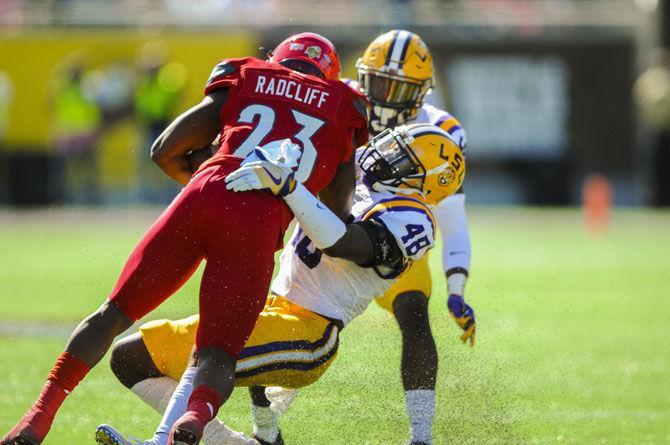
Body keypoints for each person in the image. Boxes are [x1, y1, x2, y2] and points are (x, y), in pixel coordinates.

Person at [2, 32, 368, 445]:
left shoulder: (250, 74)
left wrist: (206, 172)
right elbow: (334, 218)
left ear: (279, 58)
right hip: (261, 217)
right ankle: (193, 419)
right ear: (329, 73)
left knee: (112, 314)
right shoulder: (344, 105)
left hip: (207, 189)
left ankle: (37, 417)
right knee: (217, 352)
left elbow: (163, 149)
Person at [94, 123, 473, 445]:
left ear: (428, 181)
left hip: (309, 333)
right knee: (131, 358)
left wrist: (290, 186)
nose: (383, 154)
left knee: (207, 353)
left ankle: (162, 441)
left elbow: (342, 243)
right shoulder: (358, 181)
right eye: (391, 146)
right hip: (273, 310)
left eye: (401, 157)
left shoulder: (415, 218)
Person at [345, 30, 473, 445]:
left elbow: (452, 218)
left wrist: (457, 287)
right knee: (289, 328)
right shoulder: (340, 103)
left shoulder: (438, 131)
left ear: (420, 94)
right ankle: (267, 427)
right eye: (378, 83)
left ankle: (421, 437)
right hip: (329, 229)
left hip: (395, 243)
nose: (383, 97)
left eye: (397, 88)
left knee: (415, 315)